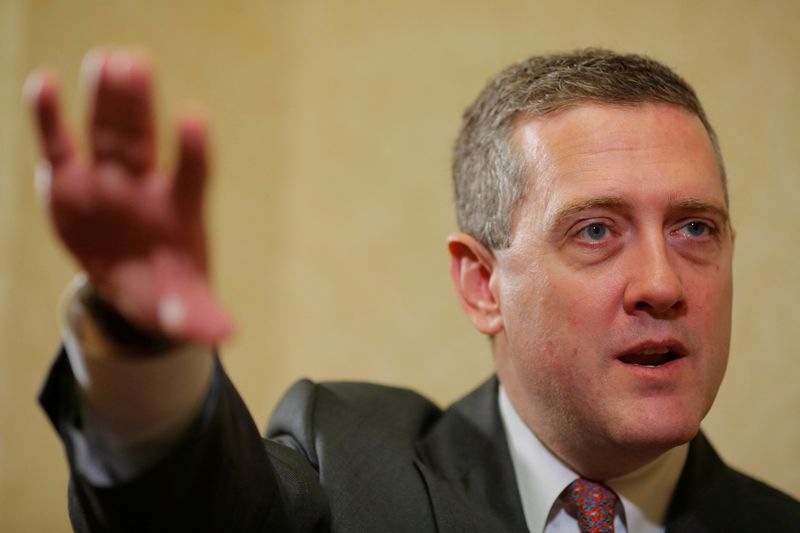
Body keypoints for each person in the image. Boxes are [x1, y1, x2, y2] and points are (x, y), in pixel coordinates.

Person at [28, 48, 799, 532]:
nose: (663, 284)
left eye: (695, 229)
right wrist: (139, 347)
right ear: (482, 283)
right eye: (596, 230)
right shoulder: (353, 466)